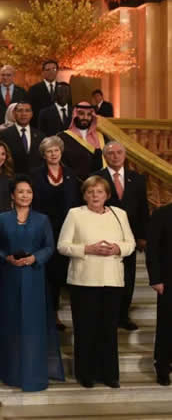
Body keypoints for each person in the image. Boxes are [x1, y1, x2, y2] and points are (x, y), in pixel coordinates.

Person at [0, 175, 64, 392]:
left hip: (34, 278)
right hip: (9, 278)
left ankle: (33, 373)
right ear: (12, 195)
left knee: (32, 326)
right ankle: (11, 372)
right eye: (20, 192)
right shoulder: (2, 219)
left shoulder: (42, 219)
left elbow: (49, 246)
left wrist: (35, 258)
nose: (25, 195)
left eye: (28, 192)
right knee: (10, 324)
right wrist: (6, 258)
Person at [57, 175, 135, 388]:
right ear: (84, 195)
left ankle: (110, 375)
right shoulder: (75, 214)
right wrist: (87, 249)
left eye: (99, 191)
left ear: (107, 195)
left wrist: (117, 248)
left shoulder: (119, 214)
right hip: (84, 281)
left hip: (112, 280)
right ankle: (86, 374)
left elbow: (130, 244)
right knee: (85, 329)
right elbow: (62, 245)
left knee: (108, 330)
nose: (95, 195)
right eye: (90, 192)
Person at [95, 141, 149, 331]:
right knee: (107, 278)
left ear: (124, 155)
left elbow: (143, 208)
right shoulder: (96, 178)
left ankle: (123, 316)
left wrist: (142, 236)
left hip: (130, 238)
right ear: (105, 156)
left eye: (119, 152)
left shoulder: (137, 179)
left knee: (128, 277)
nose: (115, 156)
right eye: (111, 153)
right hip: (105, 235)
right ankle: (106, 316)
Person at [31, 136, 80, 330]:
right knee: (47, 275)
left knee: (61, 274)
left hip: (66, 230)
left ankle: (63, 314)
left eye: (56, 150)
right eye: (49, 151)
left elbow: (76, 202)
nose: (53, 154)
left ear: (61, 152)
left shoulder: (71, 175)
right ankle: (48, 315)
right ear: (43, 155)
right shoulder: (35, 175)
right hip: (42, 230)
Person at [146, 203, 172, 386]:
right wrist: (155, 279)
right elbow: (153, 249)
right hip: (168, 280)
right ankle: (162, 366)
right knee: (167, 324)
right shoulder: (162, 214)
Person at [58, 102, 105, 182]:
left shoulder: (100, 137)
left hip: (96, 184)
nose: (85, 117)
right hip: (72, 183)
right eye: (81, 114)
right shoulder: (63, 137)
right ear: (75, 115)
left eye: (89, 115)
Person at [0, 102, 45, 174]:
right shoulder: (4, 134)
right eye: (20, 110)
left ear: (31, 114)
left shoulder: (40, 135)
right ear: (14, 113)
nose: (24, 114)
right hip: (12, 176)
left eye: (27, 111)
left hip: (35, 178)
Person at [27, 60, 59, 126]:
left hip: (60, 127)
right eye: (48, 70)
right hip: (39, 126)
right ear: (43, 72)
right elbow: (30, 111)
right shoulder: (34, 90)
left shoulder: (64, 88)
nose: (51, 72)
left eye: (54, 69)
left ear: (57, 71)